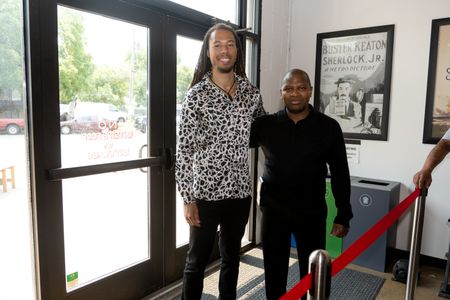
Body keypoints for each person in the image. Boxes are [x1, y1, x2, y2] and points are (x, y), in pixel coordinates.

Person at [176, 23, 265, 300]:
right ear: (208, 52)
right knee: (196, 263)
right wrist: (187, 198)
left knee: (231, 258)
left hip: (239, 193)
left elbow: (263, 132)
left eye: (230, 44)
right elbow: (183, 151)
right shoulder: (196, 96)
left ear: (237, 51)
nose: (224, 50)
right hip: (205, 195)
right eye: (218, 45)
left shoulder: (252, 94)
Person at [250, 68, 353, 300]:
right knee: (274, 271)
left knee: (315, 271)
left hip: (311, 211)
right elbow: (231, 142)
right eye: (289, 88)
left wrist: (343, 214)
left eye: (301, 87)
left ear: (310, 92)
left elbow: (340, 173)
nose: (295, 93)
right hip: (274, 211)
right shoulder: (265, 125)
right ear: (281, 92)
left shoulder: (328, 127)